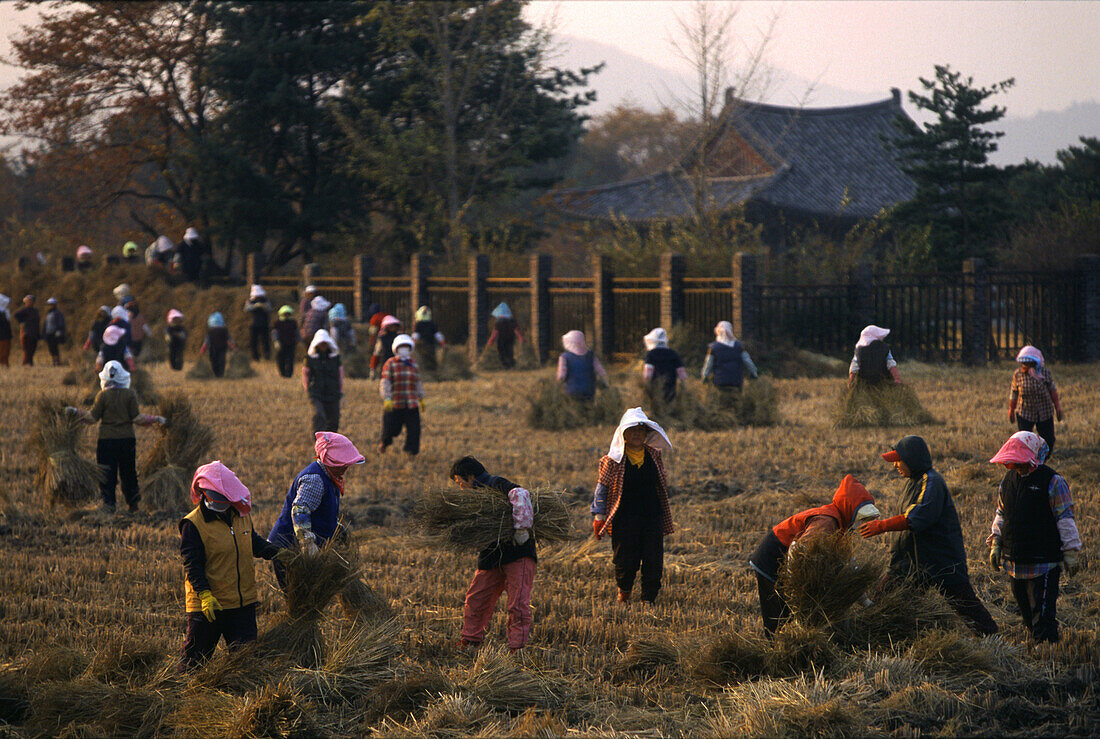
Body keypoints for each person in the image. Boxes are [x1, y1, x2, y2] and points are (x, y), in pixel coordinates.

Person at [860, 435, 998, 636]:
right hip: (909, 562)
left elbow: (917, 517)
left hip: (940, 560)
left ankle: (990, 637)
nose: (895, 466)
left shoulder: (931, 482)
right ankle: (884, 638)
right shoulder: (912, 482)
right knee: (883, 602)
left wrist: (882, 526)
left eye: (899, 460)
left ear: (912, 459)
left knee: (963, 602)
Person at [179, 461, 289, 669]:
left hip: (242, 606)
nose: (221, 504)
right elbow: (192, 565)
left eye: (225, 500)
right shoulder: (193, 525)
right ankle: (182, 696)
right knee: (194, 663)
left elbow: (253, 542)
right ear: (203, 494)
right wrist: (205, 596)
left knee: (246, 665)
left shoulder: (241, 516)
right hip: (210, 607)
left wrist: (277, 552)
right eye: (216, 499)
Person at [749, 475, 880, 636]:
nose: (861, 522)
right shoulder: (826, 523)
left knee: (789, 617)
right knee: (778, 617)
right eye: (861, 517)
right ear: (849, 510)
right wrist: (794, 586)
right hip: (772, 559)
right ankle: (774, 650)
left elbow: (850, 565)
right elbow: (798, 549)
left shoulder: (841, 527)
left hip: (784, 559)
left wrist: (865, 601)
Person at [986, 431, 1084, 643]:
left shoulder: (1053, 481)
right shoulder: (1007, 482)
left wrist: (1070, 552)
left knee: (1042, 614)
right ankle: (1036, 641)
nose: (1015, 466)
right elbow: (1001, 513)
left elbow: (1065, 518)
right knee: (1027, 614)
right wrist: (996, 542)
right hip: (1015, 561)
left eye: (1019, 460)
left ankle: (1048, 652)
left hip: (1044, 563)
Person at [450, 456, 537, 652]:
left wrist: (521, 529)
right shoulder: (476, 499)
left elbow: (520, 493)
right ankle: (470, 640)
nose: (460, 487)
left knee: (518, 603)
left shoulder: (495, 484)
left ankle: (517, 647)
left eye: (459, 482)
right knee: (476, 598)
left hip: (518, 551)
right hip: (491, 554)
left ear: (471, 477)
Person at [591, 408, 675, 604]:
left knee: (653, 559)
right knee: (625, 560)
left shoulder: (654, 455)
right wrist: (598, 517)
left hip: (652, 515)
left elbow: (660, 483)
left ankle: (649, 599)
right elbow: (601, 489)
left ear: (646, 434)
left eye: (641, 430)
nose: (637, 434)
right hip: (624, 518)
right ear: (623, 435)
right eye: (632, 430)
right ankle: (624, 592)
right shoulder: (611, 460)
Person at [268, 432, 365, 587]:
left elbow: (319, 511)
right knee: (300, 597)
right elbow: (299, 510)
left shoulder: (330, 477)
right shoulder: (315, 479)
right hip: (289, 549)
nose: (346, 466)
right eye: (342, 462)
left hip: (306, 549)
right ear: (329, 460)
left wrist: (336, 529)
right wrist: (307, 542)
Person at [74, 361, 164, 512]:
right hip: (126, 441)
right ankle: (133, 504)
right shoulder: (130, 394)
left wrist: (75, 413)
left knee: (106, 473)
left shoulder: (102, 396)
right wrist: (155, 419)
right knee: (129, 472)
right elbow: (137, 418)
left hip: (106, 441)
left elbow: (92, 418)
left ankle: (108, 504)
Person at [1009, 345, 1062, 453]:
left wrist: (1058, 407)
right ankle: (1028, 460)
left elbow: (1053, 391)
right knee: (1024, 439)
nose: (1026, 365)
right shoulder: (1018, 374)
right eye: (1024, 363)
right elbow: (1014, 392)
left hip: (1044, 411)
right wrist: (1011, 409)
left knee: (1048, 439)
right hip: (1025, 412)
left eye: (1029, 363)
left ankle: (1043, 458)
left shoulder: (1045, 373)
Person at [379, 334, 424, 456]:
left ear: (410, 349)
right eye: (401, 347)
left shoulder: (413, 364)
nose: (404, 349)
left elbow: (417, 382)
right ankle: (385, 443)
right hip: (395, 403)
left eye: (406, 347)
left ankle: (411, 452)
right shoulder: (390, 363)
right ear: (396, 349)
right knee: (390, 428)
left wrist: (421, 397)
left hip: (411, 403)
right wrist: (387, 397)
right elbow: (385, 381)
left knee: (414, 430)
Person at [304, 329, 344, 434]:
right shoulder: (310, 359)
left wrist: (340, 390)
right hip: (316, 393)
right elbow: (306, 375)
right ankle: (319, 441)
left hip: (333, 392)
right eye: (321, 344)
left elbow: (340, 375)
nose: (323, 346)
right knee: (319, 416)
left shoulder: (335, 358)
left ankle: (331, 442)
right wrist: (308, 389)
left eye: (324, 344)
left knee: (334, 420)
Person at [701, 321, 758, 391]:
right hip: (736, 381)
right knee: (737, 400)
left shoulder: (713, 348)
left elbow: (708, 364)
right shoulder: (739, 346)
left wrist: (705, 376)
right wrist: (753, 373)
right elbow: (748, 361)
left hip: (719, 382)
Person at [557, 330, 608, 401]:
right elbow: (600, 371)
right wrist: (605, 383)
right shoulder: (591, 355)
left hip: (572, 390)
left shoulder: (564, 357)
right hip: (589, 389)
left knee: (575, 408)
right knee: (588, 407)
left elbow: (562, 375)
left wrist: (558, 385)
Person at [642, 327, 686, 402]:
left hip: (656, 383)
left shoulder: (651, 354)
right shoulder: (673, 353)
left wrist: (645, 385)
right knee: (669, 402)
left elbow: (648, 373)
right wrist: (683, 384)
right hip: (671, 383)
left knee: (657, 403)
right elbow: (681, 372)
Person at [486, 302, 524, 368]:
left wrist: (490, 342)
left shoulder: (498, 323)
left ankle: (506, 366)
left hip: (501, 341)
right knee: (510, 353)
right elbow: (517, 331)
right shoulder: (512, 321)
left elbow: (494, 334)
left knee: (502, 355)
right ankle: (511, 365)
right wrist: (521, 338)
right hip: (510, 340)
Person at [199, 312, 236, 378]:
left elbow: (206, 341)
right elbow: (229, 340)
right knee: (219, 361)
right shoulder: (222, 330)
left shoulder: (216, 331)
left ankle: (219, 374)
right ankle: (219, 374)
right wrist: (233, 347)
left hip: (216, 349)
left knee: (216, 361)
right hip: (219, 349)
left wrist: (203, 348)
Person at [244, 285, 272, 361]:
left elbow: (269, 308)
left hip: (264, 323)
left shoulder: (265, 300)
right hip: (253, 324)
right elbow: (246, 309)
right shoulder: (250, 301)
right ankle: (255, 357)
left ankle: (267, 356)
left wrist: (263, 306)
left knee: (265, 341)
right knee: (253, 341)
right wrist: (255, 306)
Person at [412, 305, 444, 371]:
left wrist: (413, 344)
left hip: (422, 345)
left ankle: (426, 371)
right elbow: (438, 335)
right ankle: (433, 371)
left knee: (423, 359)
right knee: (432, 358)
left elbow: (415, 336)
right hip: (431, 344)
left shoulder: (418, 324)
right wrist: (442, 343)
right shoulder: (432, 324)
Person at [370, 315, 401, 379]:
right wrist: (373, 369)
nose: (393, 327)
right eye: (391, 326)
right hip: (386, 361)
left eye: (394, 326)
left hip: (397, 362)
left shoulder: (399, 338)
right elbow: (377, 353)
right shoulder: (382, 338)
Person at [13, 295, 40, 366]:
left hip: (34, 333)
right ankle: (26, 364)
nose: (30, 302)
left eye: (31, 301)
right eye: (28, 301)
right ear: (26, 302)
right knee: (27, 350)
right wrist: (21, 322)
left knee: (32, 349)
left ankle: (30, 363)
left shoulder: (35, 311)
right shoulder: (24, 310)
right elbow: (16, 315)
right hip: (26, 333)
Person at [273, 305, 299, 378]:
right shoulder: (277, 323)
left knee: (290, 359)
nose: (287, 315)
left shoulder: (293, 322)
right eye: (285, 314)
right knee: (281, 359)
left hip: (291, 343)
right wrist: (276, 341)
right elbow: (275, 333)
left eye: (288, 314)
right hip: (281, 344)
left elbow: (297, 332)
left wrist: (298, 340)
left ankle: (289, 374)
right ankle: (282, 373)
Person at [42, 297, 67, 366]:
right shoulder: (48, 313)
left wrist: (59, 331)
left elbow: (61, 322)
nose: (50, 306)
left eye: (51, 304)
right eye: (49, 304)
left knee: (55, 347)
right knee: (51, 348)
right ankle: (53, 361)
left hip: (54, 333)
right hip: (48, 333)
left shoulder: (58, 313)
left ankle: (57, 361)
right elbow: (46, 324)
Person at [0, 294, 10, 368]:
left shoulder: (4, 312)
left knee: (5, 352)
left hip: (5, 335)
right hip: (3, 336)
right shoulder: (2, 313)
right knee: (3, 352)